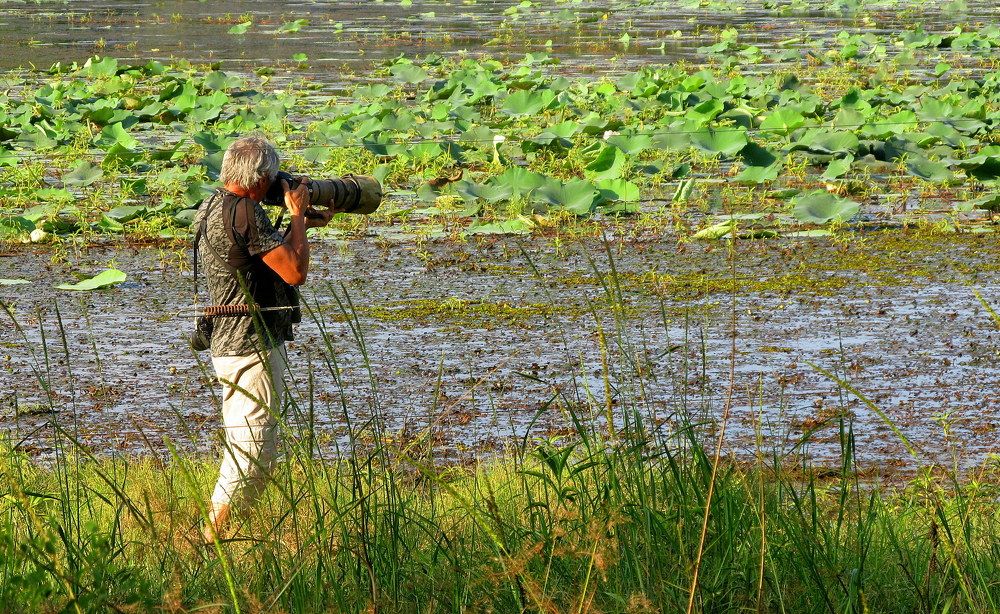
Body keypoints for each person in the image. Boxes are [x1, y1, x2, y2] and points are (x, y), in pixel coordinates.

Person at [191, 135, 334, 543]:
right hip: (250, 343)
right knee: (254, 449)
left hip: (228, 342)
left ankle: (223, 532)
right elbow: (294, 271)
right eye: (273, 178)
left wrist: (299, 224)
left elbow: (260, 258)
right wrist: (297, 215)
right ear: (259, 179)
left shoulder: (213, 205)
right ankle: (214, 537)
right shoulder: (247, 212)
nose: (277, 184)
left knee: (248, 442)